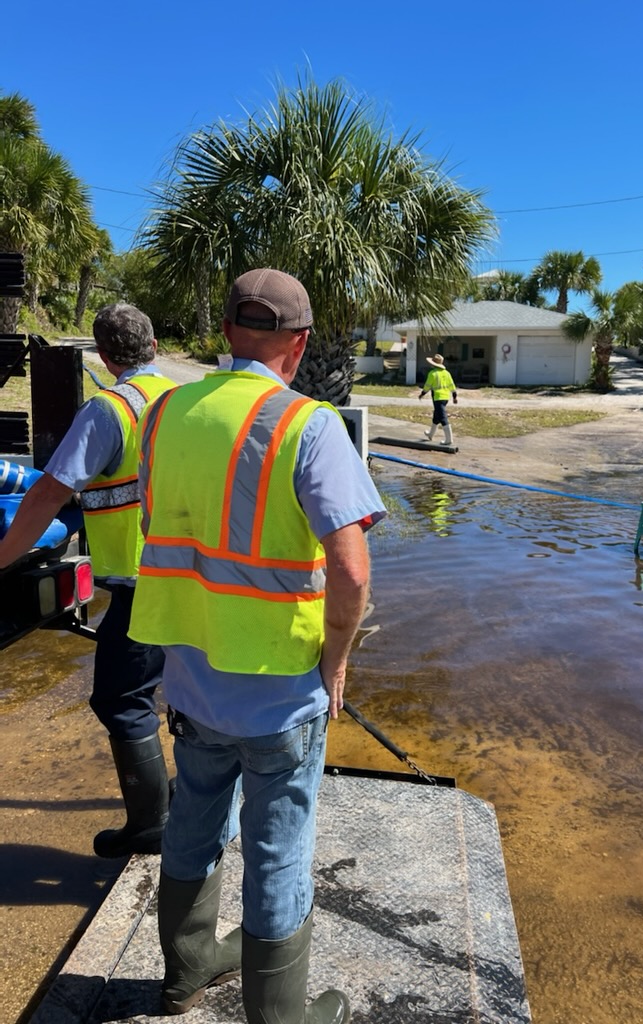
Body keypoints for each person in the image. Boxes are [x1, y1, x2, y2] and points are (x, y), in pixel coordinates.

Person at [128, 269, 386, 1021]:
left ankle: (185, 974)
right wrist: (336, 658)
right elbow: (350, 567)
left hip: (191, 678)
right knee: (277, 846)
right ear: (300, 345)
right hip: (279, 691)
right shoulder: (309, 425)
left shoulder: (165, 412)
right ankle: (279, 1016)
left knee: (193, 817)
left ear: (228, 334)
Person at [0, 304, 176, 859]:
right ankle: (190, 799)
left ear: (103, 355)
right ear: (153, 347)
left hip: (141, 581)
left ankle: (152, 826)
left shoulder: (109, 410)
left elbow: (50, 492)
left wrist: (5, 556)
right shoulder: (180, 400)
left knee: (121, 698)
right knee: (189, 694)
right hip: (194, 576)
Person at [419, 352, 457, 446]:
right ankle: (430, 434)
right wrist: (454, 396)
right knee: (436, 416)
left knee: (443, 417)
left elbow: (427, 386)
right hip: (445, 398)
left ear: (433, 364)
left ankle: (449, 439)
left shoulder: (432, 373)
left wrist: (422, 394)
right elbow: (452, 385)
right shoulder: (447, 373)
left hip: (437, 398)